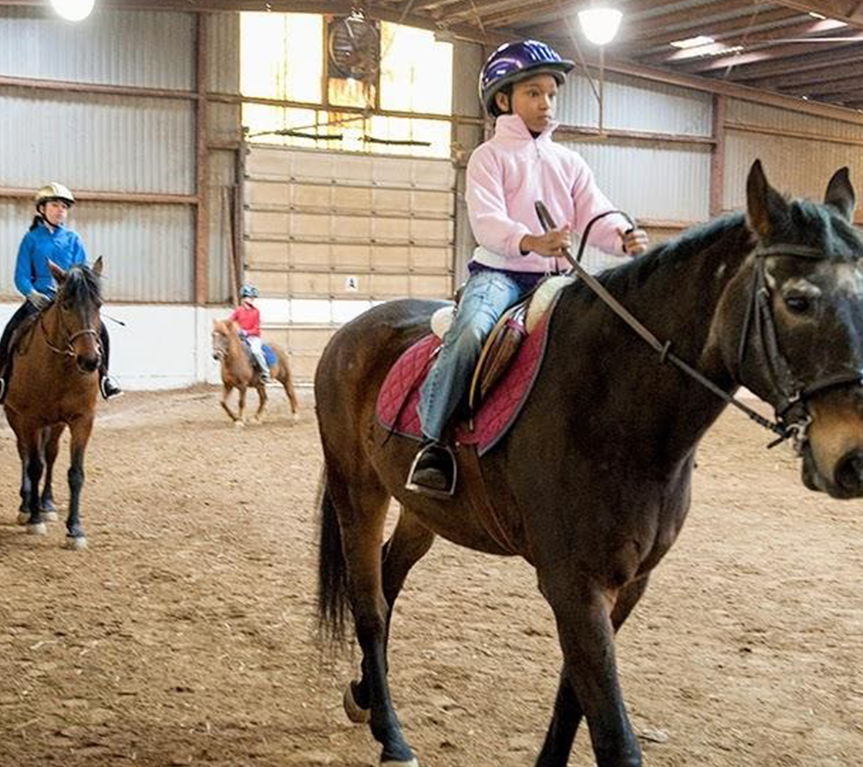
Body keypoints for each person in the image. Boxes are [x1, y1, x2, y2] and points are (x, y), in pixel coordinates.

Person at [406, 39, 650, 498]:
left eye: (551, 94)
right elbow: (487, 220)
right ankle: (432, 442)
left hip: (557, 279)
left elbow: (594, 211)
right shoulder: (488, 157)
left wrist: (621, 234)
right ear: (504, 100)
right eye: (534, 93)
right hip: (500, 275)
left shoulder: (569, 162)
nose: (546, 103)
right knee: (472, 332)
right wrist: (530, 241)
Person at [0, 183, 122, 403]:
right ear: (42, 209)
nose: (60, 211)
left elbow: (83, 273)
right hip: (39, 300)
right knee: (11, 331)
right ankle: (2, 378)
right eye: (55, 205)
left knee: (101, 330)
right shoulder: (31, 239)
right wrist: (32, 294)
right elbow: (21, 276)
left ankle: (105, 377)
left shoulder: (73, 239)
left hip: (70, 300)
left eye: (64, 207)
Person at [230, 284, 270, 382]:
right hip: (240, 337)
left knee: (256, 351)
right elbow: (230, 321)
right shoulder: (238, 310)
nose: (252, 299)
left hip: (253, 338)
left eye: (253, 297)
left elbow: (256, 328)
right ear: (244, 298)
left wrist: (246, 332)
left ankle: (265, 372)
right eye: (250, 297)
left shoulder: (256, 311)